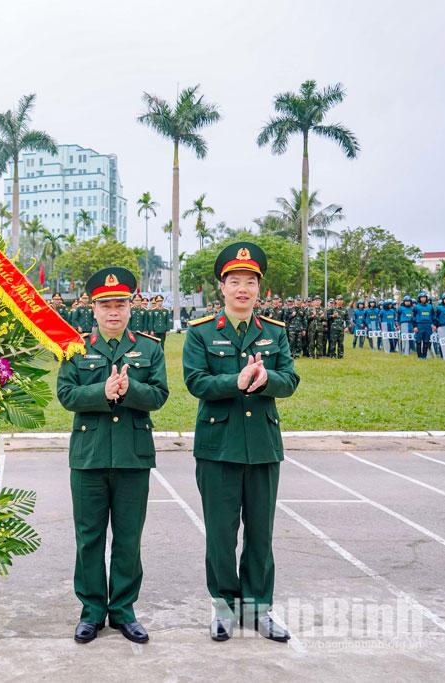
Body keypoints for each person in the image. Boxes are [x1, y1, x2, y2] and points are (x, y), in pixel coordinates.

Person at [182, 242, 299, 643]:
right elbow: (196, 381)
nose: (243, 289)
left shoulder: (274, 332)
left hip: (262, 444)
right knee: (220, 532)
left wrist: (267, 379)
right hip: (218, 446)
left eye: (250, 282)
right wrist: (236, 381)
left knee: (261, 533)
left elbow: (290, 379)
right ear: (222, 287)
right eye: (235, 281)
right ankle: (222, 606)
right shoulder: (201, 332)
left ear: (258, 288)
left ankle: (258, 608)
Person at [57, 267, 169, 645]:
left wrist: (129, 389)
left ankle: (123, 610)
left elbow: (159, 395)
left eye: (120, 304)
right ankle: (91, 611)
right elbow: (66, 394)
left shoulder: (150, 348)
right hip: (88, 456)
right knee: (89, 537)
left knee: (127, 538)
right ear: (94, 308)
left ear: (130, 307)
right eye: (105, 305)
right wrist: (102, 393)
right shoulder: (75, 348)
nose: (113, 312)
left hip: (132, 456)